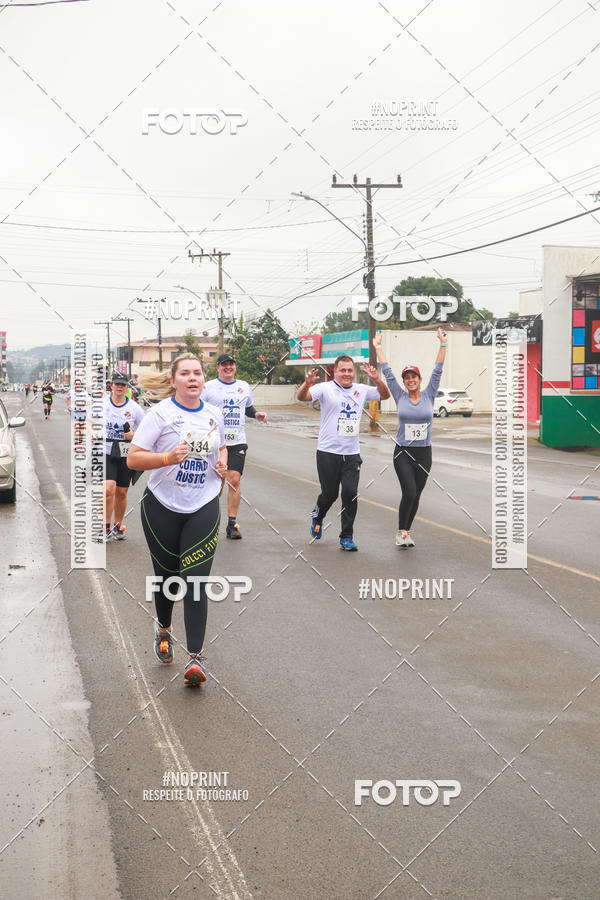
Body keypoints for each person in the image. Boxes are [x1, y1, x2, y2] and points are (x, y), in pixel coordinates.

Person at [127, 354, 227, 686]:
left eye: (197, 372)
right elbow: (133, 458)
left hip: (204, 503)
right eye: (185, 373)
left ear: (203, 378)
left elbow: (221, 448)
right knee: (167, 578)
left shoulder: (214, 415)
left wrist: (223, 466)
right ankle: (164, 628)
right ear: (174, 381)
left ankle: (195, 659)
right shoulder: (161, 414)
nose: (192, 378)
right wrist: (168, 458)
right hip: (162, 506)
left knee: (195, 581)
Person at [297, 355, 390, 551]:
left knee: (350, 493)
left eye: (350, 370)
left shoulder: (361, 390)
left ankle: (346, 536)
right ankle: (318, 515)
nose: (347, 374)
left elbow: (385, 395)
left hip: (351, 453)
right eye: (343, 370)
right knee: (330, 495)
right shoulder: (324, 388)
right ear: (335, 371)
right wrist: (306, 384)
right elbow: (302, 397)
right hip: (327, 452)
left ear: (353, 372)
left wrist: (376, 379)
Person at [374, 327, 447, 548]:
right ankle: (400, 532)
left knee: (416, 496)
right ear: (404, 381)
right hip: (403, 453)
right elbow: (387, 371)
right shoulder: (399, 395)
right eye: (407, 377)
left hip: (424, 453)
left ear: (419, 379)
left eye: (413, 376)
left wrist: (443, 344)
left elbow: (438, 369)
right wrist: (378, 348)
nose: (410, 380)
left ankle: (405, 532)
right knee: (409, 491)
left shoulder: (429, 394)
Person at [201, 353, 268, 540]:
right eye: (224, 365)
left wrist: (257, 415)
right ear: (218, 367)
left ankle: (232, 524)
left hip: (237, 440)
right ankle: (208, 521)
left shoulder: (243, 386)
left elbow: (248, 408)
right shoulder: (208, 387)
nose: (228, 367)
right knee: (216, 482)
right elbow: (199, 409)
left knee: (234, 480)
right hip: (214, 441)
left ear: (235, 367)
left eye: (231, 364)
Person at [102, 371, 145, 541]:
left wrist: (132, 435)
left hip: (125, 452)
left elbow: (145, 430)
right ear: (111, 386)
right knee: (108, 490)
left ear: (127, 387)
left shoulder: (134, 408)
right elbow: (89, 422)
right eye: (116, 384)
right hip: (106, 449)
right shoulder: (103, 405)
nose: (119, 387)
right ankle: (105, 527)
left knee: (121, 491)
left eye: (123, 385)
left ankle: (118, 526)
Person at [66, 378, 91, 445]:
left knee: (81, 428)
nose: (77, 385)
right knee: (77, 427)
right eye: (76, 384)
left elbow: (90, 401)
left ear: (80, 385)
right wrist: (68, 406)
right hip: (74, 411)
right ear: (74, 385)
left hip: (83, 411)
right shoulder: (71, 392)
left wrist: (84, 404)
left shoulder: (84, 392)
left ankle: (80, 442)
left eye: (79, 384)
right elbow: (68, 398)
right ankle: (76, 443)